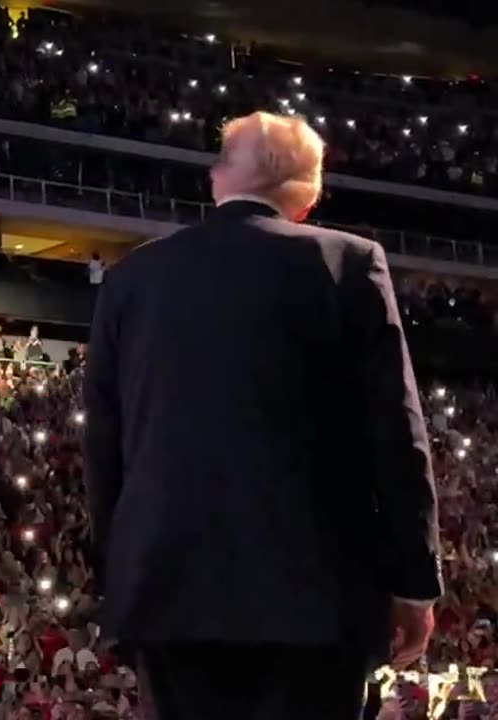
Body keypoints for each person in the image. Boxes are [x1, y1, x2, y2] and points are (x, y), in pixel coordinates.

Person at [83, 111, 442, 719]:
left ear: (219, 178)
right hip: (317, 594)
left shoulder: (133, 276)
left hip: (170, 588)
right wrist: (413, 581)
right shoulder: (349, 263)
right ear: (311, 192)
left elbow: (104, 444)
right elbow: (397, 432)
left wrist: (118, 578)